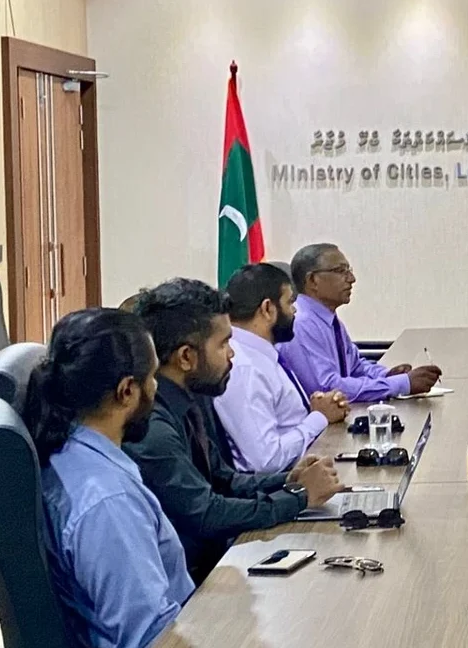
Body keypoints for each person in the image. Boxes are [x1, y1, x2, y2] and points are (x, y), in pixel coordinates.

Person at [129, 279, 342, 579]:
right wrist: (300, 496)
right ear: (186, 357)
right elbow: (206, 513)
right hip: (194, 579)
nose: (232, 354)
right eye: (223, 344)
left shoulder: (191, 399)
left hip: (217, 562)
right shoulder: (153, 427)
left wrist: (288, 480)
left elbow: (224, 479)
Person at [25, 308, 192, 648]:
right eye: (152, 377)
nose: (157, 387)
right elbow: (149, 643)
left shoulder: (74, 454)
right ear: (126, 391)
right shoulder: (108, 502)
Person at [216, 263, 348, 473]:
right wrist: (319, 417)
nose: (295, 310)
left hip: (306, 468)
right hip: (282, 484)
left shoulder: (261, 354)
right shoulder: (244, 367)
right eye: (289, 302)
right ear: (267, 309)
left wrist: (315, 408)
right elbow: (266, 461)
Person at [278, 243, 441, 402]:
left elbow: (356, 367)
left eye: (349, 270)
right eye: (340, 271)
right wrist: (401, 384)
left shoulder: (328, 320)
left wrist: (386, 375)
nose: (352, 279)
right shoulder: (300, 324)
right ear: (312, 280)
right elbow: (328, 389)